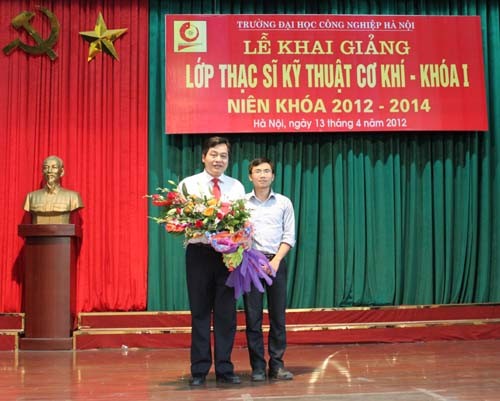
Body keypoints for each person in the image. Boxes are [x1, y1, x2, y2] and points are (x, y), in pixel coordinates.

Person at [177, 136, 245, 386]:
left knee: (227, 314)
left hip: (227, 255)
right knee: (200, 313)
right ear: (203, 157)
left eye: (223, 156)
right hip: (199, 254)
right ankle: (199, 370)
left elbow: (243, 220)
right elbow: (180, 219)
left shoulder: (236, 186)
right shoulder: (189, 184)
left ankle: (225, 368)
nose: (219, 160)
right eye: (214, 154)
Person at [244, 157, 296, 382]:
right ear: (250, 176)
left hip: (276, 262)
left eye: (267, 171)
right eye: (258, 171)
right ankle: (257, 367)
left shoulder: (283, 203)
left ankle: (277, 365)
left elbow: (289, 236)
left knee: (278, 316)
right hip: (250, 264)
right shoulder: (241, 203)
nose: (263, 175)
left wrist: (275, 261)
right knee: (253, 317)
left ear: (273, 176)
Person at [23, 155, 84, 224]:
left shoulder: (73, 197)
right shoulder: (31, 197)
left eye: (54, 167)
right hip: (38, 230)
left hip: (62, 230)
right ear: (42, 171)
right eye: (46, 167)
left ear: (62, 172)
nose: (49, 171)